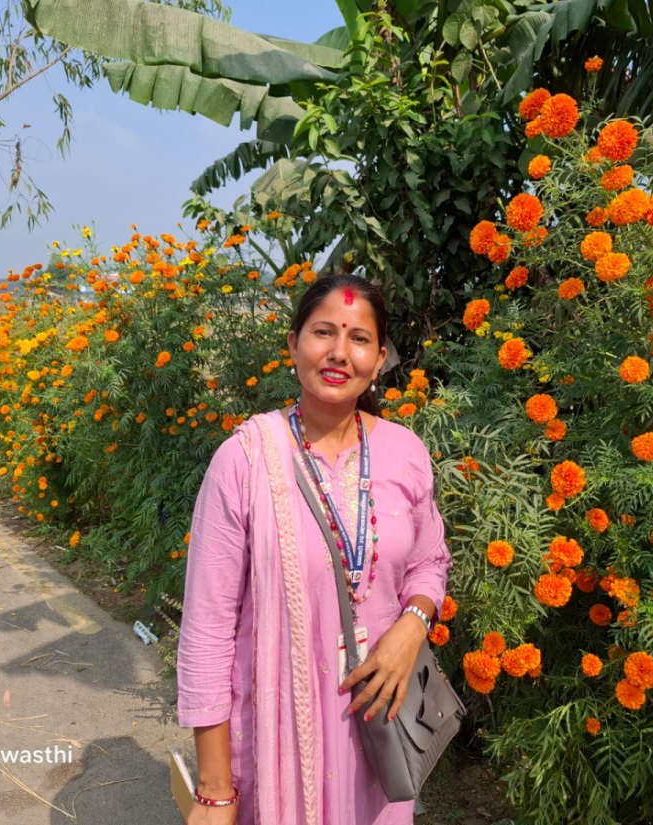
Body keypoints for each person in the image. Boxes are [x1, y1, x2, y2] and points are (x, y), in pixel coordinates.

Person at [177, 273, 453, 824]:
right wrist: (213, 791)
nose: (338, 352)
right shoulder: (246, 461)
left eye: (358, 338)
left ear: (378, 360)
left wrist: (412, 624)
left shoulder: (404, 451)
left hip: (380, 741)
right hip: (276, 739)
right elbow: (207, 629)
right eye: (323, 332)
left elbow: (430, 561)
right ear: (294, 345)